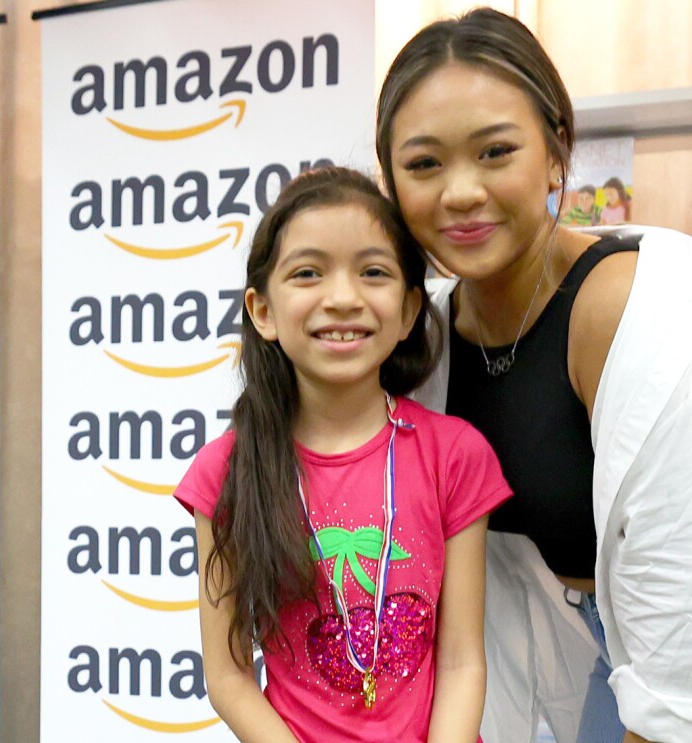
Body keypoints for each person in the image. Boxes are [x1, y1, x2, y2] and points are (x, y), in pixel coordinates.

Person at [375, 9, 692, 743]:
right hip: (582, 667)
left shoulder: (636, 311)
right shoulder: (428, 334)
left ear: (555, 153)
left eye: (495, 152)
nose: (460, 192)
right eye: (424, 164)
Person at [173, 166, 513, 743]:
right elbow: (228, 675)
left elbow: (461, 661)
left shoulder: (454, 455)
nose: (342, 298)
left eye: (373, 272)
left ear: (409, 310)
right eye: (308, 273)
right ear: (263, 311)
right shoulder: (225, 472)